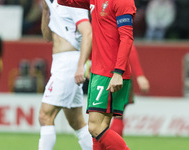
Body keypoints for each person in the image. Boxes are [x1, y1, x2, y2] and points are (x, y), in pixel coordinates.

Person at [58, 0, 136, 149]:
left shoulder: (123, 1)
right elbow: (65, 1)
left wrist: (118, 72)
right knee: (98, 131)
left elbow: (127, 38)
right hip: (98, 72)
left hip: (111, 72)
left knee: (95, 127)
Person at [38, 0, 92, 150]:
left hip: (69, 63)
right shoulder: (54, 4)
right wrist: (44, 11)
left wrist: (81, 65)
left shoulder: (73, 3)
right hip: (61, 63)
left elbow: (88, 32)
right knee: (77, 123)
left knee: (44, 116)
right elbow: (47, 37)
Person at [110, 44, 150, 136]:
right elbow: (129, 46)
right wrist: (140, 75)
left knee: (100, 117)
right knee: (118, 115)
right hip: (120, 74)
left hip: (101, 73)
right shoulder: (121, 30)